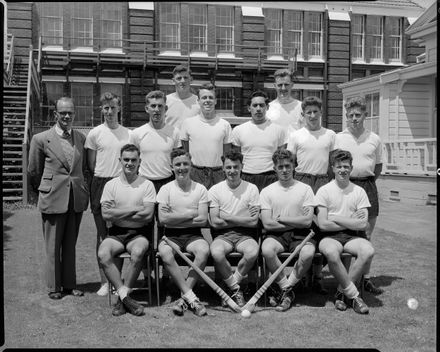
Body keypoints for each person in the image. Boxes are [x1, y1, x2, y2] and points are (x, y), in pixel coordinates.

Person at [28, 97, 89, 300]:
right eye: (62, 112)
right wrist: (46, 190)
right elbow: (34, 171)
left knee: (70, 244)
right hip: (53, 197)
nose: (66, 116)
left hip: (75, 199)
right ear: (55, 114)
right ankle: (54, 287)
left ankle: (70, 284)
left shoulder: (80, 138)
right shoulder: (40, 139)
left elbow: (83, 169)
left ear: (74, 114)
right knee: (53, 245)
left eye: (70, 112)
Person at [98, 144, 156, 316]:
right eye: (126, 160)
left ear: (139, 162)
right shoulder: (111, 185)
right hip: (116, 233)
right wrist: (134, 209)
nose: (129, 163)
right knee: (103, 254)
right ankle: (126, 297)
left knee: (138, 252)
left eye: (133, 160)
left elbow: (147, 215)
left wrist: (118, 213)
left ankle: (123, 299)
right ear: (120, 161)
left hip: (139, 234)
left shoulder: (147, 185)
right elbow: (106, 215)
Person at [334, 96, 384, 294]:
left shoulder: (375, 139)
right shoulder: (339, 138)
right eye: (351, 115)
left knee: (367, 234)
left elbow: (378, 167)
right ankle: (346, 278)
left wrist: (365, 183)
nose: (354, 118)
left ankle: (366, 278)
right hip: (346, 185)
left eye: (358, 115)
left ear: (365, 115)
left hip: (367, 186)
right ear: (346, 116)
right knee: (345, 234)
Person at [287, 96, 336, 294]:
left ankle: (317, 276)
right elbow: (290, 162)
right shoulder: (296, 135)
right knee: (304, 227)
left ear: (321, 113)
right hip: (302, 181)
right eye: (309, 112)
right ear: (303, 115)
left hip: (323, 181)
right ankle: (302, 274)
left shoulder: (331, 134)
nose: (313, 115)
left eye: (316, 112)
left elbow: (333, 163)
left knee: (322, 228)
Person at [315, 149, 373, 314]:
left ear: (351, 168)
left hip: (353, 237)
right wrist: (350, 221)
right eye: (339, 166)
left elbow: (363, 225)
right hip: (329, 237)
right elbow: (323, 225)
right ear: (332, 168)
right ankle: (354, 296)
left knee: (368, 251)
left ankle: (341, 291)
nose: (343, 170)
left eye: (346, 166)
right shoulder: (324, 191)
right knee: (332, 253)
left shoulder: (359, 191)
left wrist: (335, 217)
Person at [85, 92, 131, 296]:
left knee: (118, 235)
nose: (110, 112)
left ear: (119, 108)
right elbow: (91, 164)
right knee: (103, 234)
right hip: (101, 183)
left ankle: (116, 280)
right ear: (101, 110)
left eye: (113, 107)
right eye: (106, 108)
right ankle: (105, 281)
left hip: (121, 184)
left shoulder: (129, 134)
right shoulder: (94, 134)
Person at [260, 149, 315, 312]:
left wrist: (282, 218)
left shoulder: (305, 189)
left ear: (294, 166)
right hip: (276, 235)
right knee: (267, 250)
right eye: (280, 166)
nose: (284, 170)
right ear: (275, 168)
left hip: (301, 235)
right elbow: (268, 225)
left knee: (307, 253)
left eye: (287, 166)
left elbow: (307, 222)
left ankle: (284, 289)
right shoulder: (267, 191)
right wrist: (297, 220)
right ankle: (287, 290)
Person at [157, 149, 210, 317]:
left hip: (194, 235)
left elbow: (202, 220)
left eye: (185, 164)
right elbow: (163, 219)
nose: (182, 168)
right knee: (165, 252)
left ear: (191, 165)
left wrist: (174, 216)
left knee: (203, 250)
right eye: (178, 164)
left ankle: (184, 298)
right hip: (169, 235)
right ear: (172, 167)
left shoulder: (200, 189)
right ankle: (190, 296)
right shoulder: (165, 189)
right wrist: (189, 213)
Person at [208, 151, 260, 307]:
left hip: (246, 235)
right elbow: (216, 223)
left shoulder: (252, 189)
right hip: (223, 235)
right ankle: (236, 290)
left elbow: (253, 223)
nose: (232, 171)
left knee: (252, 251)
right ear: (223, 169)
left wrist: (227, 216)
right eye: (228, 167)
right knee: (216, 252)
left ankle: (231, 287)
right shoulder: (215, 190)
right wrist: (242, 218)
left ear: (242, 167)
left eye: (236, 167)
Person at [231, 90, 287, 191]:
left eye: (261, 105)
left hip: (271, 177)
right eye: (255, 105)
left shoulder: (279, 130)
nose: (258, 109)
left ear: (267, 107)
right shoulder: (238, 130)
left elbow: (282, 159)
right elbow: (236, 158)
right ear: (249, 108)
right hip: (246, 177)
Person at [180, 83, 232, 190]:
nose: (207, 100)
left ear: (216, 101)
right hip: (195, 173)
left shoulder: (225, 125)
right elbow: (185, 152)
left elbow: (227, 155)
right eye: (204, 97)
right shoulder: (188, 123)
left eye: (211, 98)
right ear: (198, 101)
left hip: (218, 175)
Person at [130, 90, 181, 194]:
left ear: (165, 109)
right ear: (146, 109)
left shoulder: (175, 132)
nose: (157, 110)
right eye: (153, 106)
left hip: (168, 182)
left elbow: (178, 161)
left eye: (160, 106)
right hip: (144, 182)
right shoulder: (136, 133)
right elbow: (132, 160)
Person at [266, 68, 303, 134]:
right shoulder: (268, 108)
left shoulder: (301, 107)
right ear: (275, 86)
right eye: (280, 85)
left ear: (292, 85)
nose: (283, 88)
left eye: (286, 85)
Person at [165, 65, 200, 129]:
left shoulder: (198, 101)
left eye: (185, 77)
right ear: (173, 81)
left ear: (191, 80)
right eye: (179, 78)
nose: (183, 81)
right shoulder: (165, 101)